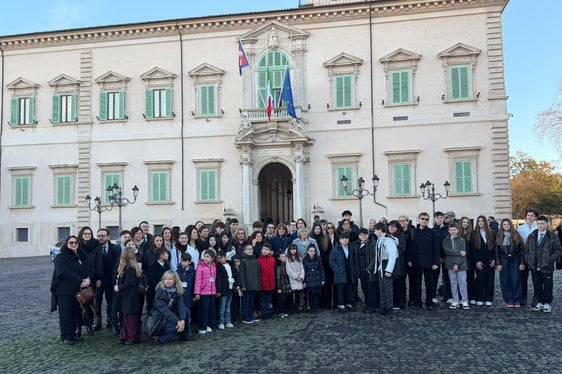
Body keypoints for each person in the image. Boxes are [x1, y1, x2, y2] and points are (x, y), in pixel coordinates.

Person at [51, 235, 91, 345]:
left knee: (75, 312)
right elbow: (64, 272)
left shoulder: (81, 256)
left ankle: (73, 333)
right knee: (66, 313)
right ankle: (66, 336)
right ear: (66, 244)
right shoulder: (61, 257)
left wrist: (88, 278)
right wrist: (80, 281)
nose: (74, 244)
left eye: (76, 242)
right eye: (71, 242)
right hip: (64, 291)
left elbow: (87, 269)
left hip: (77, 290)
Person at [526, 215, 562, 313]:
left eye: (542, 224)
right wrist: (529, 260)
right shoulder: (532, 236)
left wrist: (550, 259)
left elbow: (558, 250)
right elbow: (527, 250)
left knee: (547, 285)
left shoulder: (552, 237)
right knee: (537, 285)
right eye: (538, 224)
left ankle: (547, 303)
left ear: (546, 224)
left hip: (547, 266)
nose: (540, 226)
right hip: (534, 265)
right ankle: (539, 302)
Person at [408, 212, 439, 310]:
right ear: (418, 219)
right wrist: (409, 260)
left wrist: (435, 262)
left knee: (430, 283)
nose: (424, 220)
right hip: (416, 261)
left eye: (426, 219)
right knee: (416, 283)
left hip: (428, 261)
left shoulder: (432, 232)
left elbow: (436, 248)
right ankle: (417, 302)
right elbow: (409, 248)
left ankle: (429, 302)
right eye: (422, 218)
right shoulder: (413, 232)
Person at [114, 241, 142, 345]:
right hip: (127, 295)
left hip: (130, 295)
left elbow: (129, 282)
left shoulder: (130, 268)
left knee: (131, 318)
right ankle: (125, 336)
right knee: (126, 316)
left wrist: (118, 287)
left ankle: (132, 337)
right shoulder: (128, 266)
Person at [495, 218, 525, 308]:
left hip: (515, 260)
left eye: (508, 224)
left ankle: (517, 299)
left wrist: (522, 263)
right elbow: (496, 252)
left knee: (516, 280)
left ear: (511, 225)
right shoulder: (499, 236)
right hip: (504, 261)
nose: (506, 226)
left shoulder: (516, 235)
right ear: (502, 226)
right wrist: (498, 263)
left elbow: (522, 251)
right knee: (505, 281)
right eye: (504, 225)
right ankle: (508, 299)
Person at [153, 270, 189, 343]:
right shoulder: (160, 290)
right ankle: (160, 338)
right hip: (159, 317)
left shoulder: (177, 290)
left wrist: (182, 320)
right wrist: (177, 321)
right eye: (165, 279)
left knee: (186, 311)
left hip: (171, 312)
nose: (167, 281)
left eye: (170, 279)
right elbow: (165, 311)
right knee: (173, 327)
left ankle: (184, 334)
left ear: (175, 280)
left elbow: (181, 306)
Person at [94, 228, 120, 331]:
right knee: (97, 302)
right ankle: (98, 322)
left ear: (108, 236)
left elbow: (117, 264)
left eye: (103, 235)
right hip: (98, 280)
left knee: (111, 301)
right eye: (99, 236)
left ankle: (110, 320)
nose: (100, 237)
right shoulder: (95, 248)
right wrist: (96, 278)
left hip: (110, 280)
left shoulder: (115, 248)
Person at [370, 222, 398, 316]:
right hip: (381, 267)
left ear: (380, 230)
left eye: (375, 230)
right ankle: (383, 306)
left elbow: (392, 256)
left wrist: (389, 270)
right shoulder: (380, 240)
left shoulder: (388, 241)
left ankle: (389, 308)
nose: (374, 232)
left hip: (386, 266)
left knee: (388, 288)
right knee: (382, 288)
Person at [78, 226, 101, 336]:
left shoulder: (96, 245)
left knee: (89, 302)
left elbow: (98, 262)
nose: (87, 235)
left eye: (89, 234)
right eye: (85, 233)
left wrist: (97, 278)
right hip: (78, 279)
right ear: (81, 234)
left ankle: (88, 325)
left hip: (91, 277)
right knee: (77, 303)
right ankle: (78, 326)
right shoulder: (77, 245)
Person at [442, 224, 470, 310]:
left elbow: (463, 253)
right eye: (451, 230)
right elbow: (447, 251)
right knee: (453, 283)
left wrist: (456, 264)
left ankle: (464, 300)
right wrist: (458, 252)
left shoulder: (461, 240)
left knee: (463, 282)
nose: (453, 231)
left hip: (461, 264)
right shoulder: (445, 240)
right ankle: (455, 300)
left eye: (454, 230)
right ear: (448, 231)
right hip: (450, 264)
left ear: (457, 230)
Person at [471, 215, 496, 306]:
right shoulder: (474, 234)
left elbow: (495, 248)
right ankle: (479, 297)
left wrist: (494, 260)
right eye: (479, 221)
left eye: (482, 221)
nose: (481, 222)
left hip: (490, 259)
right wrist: (477, 260)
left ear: (485, 222)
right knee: (480, 279)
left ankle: (488, 298)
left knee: (490, 279)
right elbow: (473, 249)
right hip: (479, 260)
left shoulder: (491, 233)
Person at [329, 232, 357, 313]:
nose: (345, 240)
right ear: (340, 240)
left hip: (349, 271)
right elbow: (332, 262)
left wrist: (354, 270)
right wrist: (337, 270)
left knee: (349, 288)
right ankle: (341, 305)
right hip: (340, 272)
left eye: (346, 238)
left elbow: (354, 260)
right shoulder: (335, 249)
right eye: (343, 238)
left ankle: (348, 303)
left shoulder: (351, 249)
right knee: (341, 289)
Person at [193, 249, 219, 334]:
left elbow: (215, 280)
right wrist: (197, 292)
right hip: (203, 292)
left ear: (212, 258)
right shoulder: (200, 267)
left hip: (212, 291)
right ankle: (201, 326)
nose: (206, 258)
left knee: (210, 310)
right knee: (203, 310)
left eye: (208, 257)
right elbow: (198, 281)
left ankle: (208, 325)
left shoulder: (214, 266)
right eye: (205, 256)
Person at [353, 228, 378, 313]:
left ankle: (372, 305)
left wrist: (370, 268)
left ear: (368, 235)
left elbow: (376, 257)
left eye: (365, 234)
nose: (363, 236)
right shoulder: (357, 245)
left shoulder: (373, 244)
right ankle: (367, 303)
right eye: (361, 235)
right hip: (361, 270)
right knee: (364, 288)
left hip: (370, 270)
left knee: (372, 288)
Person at [517, 209, 538, 306]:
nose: (530, 217)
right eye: (528, 215)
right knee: (523, 278)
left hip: (535, 257)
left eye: (532, 215)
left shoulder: (539, 227)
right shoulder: (520, 228)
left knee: (536, 278)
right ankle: (523, 297)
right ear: (526, 216)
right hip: (524, 256)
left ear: (535, 217)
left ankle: (536, 298)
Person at [239, 245, 261, 324]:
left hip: (254, 285)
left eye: (251, 249)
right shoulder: (243, 260)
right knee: (246, 302)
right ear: (244, 251)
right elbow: (241, 273)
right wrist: (243, 285)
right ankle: (245, 316)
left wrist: (258, 284)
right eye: (248, 249)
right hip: (246, 286)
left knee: (252, 302)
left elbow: (258, 273)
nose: (250, 251)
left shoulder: (255, 260)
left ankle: (251, 315)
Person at [388, 220, 407, 310]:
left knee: (400, 284)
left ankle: (400, 302)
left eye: (394, 226)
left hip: (399, 264)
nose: (391, 228)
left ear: (398, 228)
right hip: (389, 264)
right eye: (390, 226)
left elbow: (401, 249)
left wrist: (390, 252)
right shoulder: (386, 237)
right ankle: (394, 301)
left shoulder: (401, 237)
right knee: (393, 284)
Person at [302, 244, 325, 314]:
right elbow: (304, 271)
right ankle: (311, 308)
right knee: (310, 295)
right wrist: (304, 281)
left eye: (313, 251)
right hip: (309, 280)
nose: (312, 253)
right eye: (310, 251)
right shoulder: (305, 260)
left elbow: (321, 269)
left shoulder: (318, 258)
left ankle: (315, 308)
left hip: (317, 279)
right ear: (308, 251)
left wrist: (323, 279)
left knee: (316, 294)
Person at [320, 222, 338, 309]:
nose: (330, 229)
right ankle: (327, 303)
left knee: (336, 284)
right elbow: (323, 252)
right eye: (328, 228)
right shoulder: (324, 239)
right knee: (327, 285)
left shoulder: (338, 238)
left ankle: (336, 303)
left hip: (337, 265)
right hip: (327, 265)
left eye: (332, 228)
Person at [459, 216, 476, 304]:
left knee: (470, 279)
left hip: (470, 260)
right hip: (461, 260)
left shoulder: (472, 234)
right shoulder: (458, 234)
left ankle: (471, 296)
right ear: (461, 224)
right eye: (463, 222)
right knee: (461, 280)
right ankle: (462, 297)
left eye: (467, 222)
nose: (465, 224)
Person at [147, 246, 171, 312]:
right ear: (161, 255)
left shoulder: (167, 264)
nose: (167, 255)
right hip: (155, 292)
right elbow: (151, 280)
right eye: (166, 253)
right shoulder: (153, 266)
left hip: (166, 291)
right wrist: (161, 286)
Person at [176, 252, 195, 333]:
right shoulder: (177, 271)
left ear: (189, 262)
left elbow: (195, 283)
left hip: (189, 294)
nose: (183, 262)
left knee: (188, 311)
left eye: (185, 261)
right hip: (180, 295)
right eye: (182, 261)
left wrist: (194, 294)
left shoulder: (193, 272)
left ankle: (187, 328)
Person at [216, 251, 235, 329]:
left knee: (228, 306)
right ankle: (221, 321)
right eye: (218, 258)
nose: (220, 259)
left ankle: (228, 321)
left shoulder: (230, 265)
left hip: (230, 287)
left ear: (225, 257)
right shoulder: (218, 267)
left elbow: (234, 275)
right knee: (222, 307)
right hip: (223, 289)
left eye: (221, 257)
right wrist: (219, 290)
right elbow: (218, 279)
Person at [257, 244, 276, 319]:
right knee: (262, 300)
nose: (265, 251)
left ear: (269, 251)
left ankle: (268, 312)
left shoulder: (272, 259)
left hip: (270, 282)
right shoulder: (259, 260)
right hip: (263, 283)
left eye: (267, 249)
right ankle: (264, 313)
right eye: (264, 249)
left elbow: (273, 269)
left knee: (268, 299)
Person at [286, 244, 305, 313]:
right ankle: (292, 308)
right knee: (292, 295)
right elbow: (288, 270)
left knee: (298, 294)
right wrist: (295, 277)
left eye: (294, 249)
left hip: (299, 278)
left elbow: (302, 268)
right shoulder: (288, 259)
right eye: (291, 249)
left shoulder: (299, 258)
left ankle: (297, 308)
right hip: (293, 279)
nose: (293, 251)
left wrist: (301, 277)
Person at [276, 252, 292, 318]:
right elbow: (278, 277)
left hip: (288, 285)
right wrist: (279, 287)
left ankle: (285, 311)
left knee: (287, 300)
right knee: (281, 300)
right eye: (282, 257)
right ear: (279, 258)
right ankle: (280, 312)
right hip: (282, 286)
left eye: (285, 256)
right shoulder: (279, 267)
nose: (284, 258)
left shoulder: (288, 265)